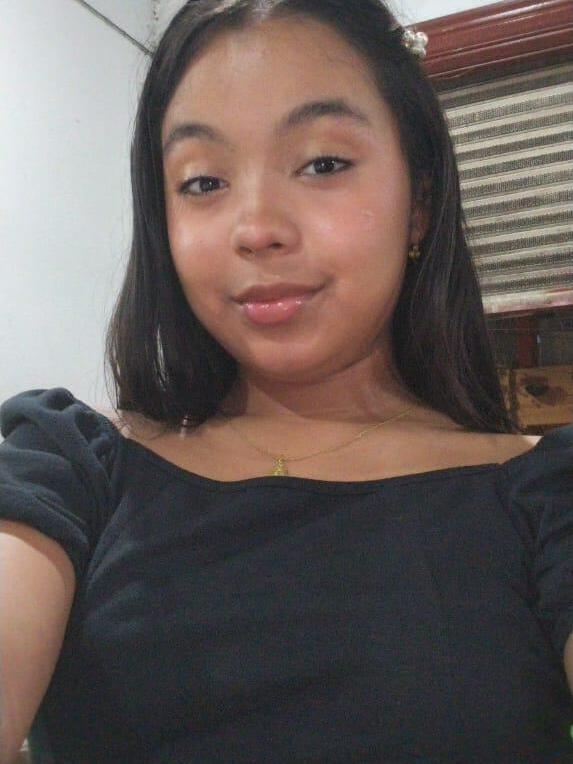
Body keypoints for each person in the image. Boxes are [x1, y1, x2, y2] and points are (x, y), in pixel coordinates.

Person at [1, 0, 572, 761]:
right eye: (203, 181)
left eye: (323, 164)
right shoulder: (70, 466)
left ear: (420, 203)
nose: (257, 228)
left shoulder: (542, 496)